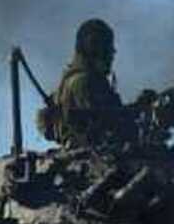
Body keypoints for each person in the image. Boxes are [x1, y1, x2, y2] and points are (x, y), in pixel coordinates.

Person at [46, 18, 125, 146]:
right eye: (107, 48)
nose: (112, 53)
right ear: (96, 49)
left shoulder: (78, 79)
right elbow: (109, 126)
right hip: (96, 158)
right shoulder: (84, 83)